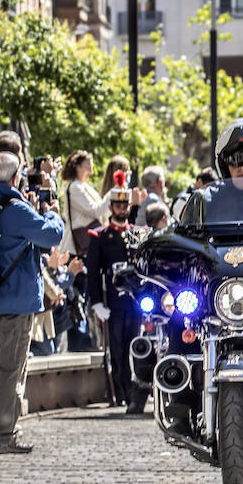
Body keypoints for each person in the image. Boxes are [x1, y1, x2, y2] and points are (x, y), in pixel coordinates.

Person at [0, 152, 65, 454]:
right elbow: (51, 235)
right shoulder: (16, 209)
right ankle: (3, 435)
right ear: (15, 177)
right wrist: (52, 212)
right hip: (14, 301)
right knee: (10, 370)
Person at [85, 171, 143, 412]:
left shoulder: (136, 233)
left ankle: (133, 391)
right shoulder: (100, 236)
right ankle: (120, 391)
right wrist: (96, 302)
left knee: (134, 345)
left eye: (125, 205)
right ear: (110, 207)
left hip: (135, 300)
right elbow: (93, 272)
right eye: (118, 206)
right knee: (117, 348)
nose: (122, 209)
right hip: (113, 302)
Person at [59, 150, 111, 257]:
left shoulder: (84, 186)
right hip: (76, 247)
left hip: (86, 245)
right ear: (77, 167)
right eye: (88, 165)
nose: (91, 169)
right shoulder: (75, 187)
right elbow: (95, 211)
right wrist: (112, 193)